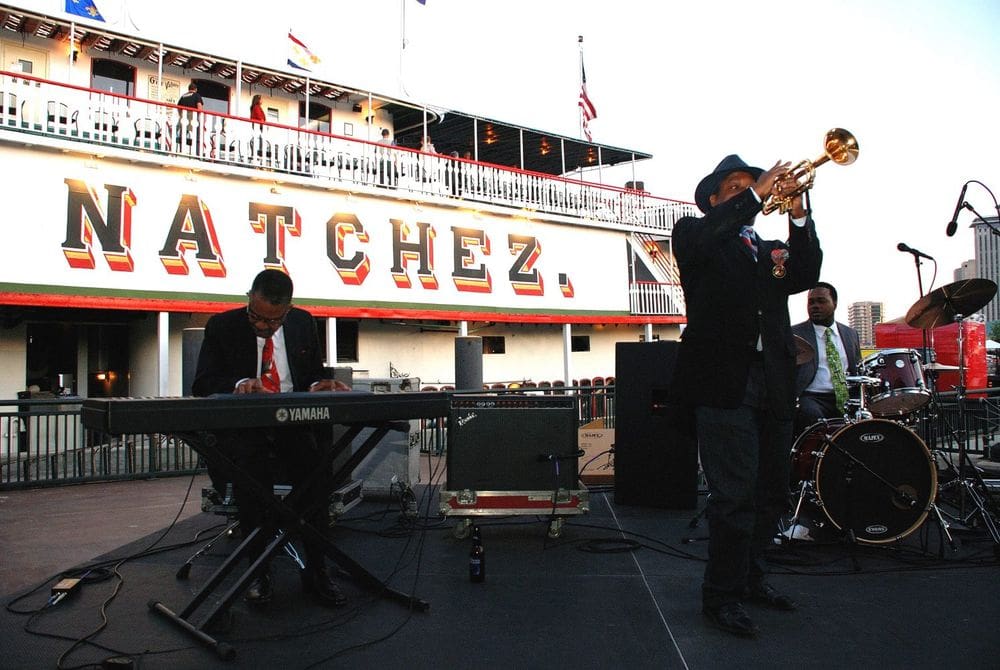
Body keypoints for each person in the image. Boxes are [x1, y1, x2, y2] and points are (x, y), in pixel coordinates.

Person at [669, 154, 822, 637]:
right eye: (733, 187)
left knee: (770, 491)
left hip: (773, 381)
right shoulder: (694, 233)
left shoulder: (768, 249)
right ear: (713, 200)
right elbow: (714, 232)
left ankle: (753, 578)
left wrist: (798, 212)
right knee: (733, 496)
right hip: (723, 382)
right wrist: (754, 196)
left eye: (749, 185)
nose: (746, 190)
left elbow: (807, 269)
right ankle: (722, 597)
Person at [192, 269, 351, 607]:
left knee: (316, 481)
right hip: (246, 427)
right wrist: (238, 385)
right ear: (249, 297)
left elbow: (310, 374)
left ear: (288, 311)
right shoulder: (222, 326)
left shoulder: (303, 324)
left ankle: (317, 571)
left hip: (292, 424)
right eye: (256, 317)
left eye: (272, 322)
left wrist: (318, 384)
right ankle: (258, 573)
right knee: (254, 485)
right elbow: (203, 382)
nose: (262, 327)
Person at [792, 282, 863, 435]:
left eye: (821, 301)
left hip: (846, 397)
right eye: (811, 302)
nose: (815, 306)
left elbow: (857, 368)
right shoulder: (794, 334)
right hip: (811, 397)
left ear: (835, 304)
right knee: (814, 419)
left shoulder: (851, 334)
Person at [175, 82, 204, 153]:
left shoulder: (183, 96)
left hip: (183, 118)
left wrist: (181, 115)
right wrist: (199, 115)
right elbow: (199, 107)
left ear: (189, 89)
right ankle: (197, 153)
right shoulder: (197, 95)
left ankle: (181, 151)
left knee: (182, 135)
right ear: (195, 89)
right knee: (197, 137)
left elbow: (178, 108)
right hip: (193, 118)